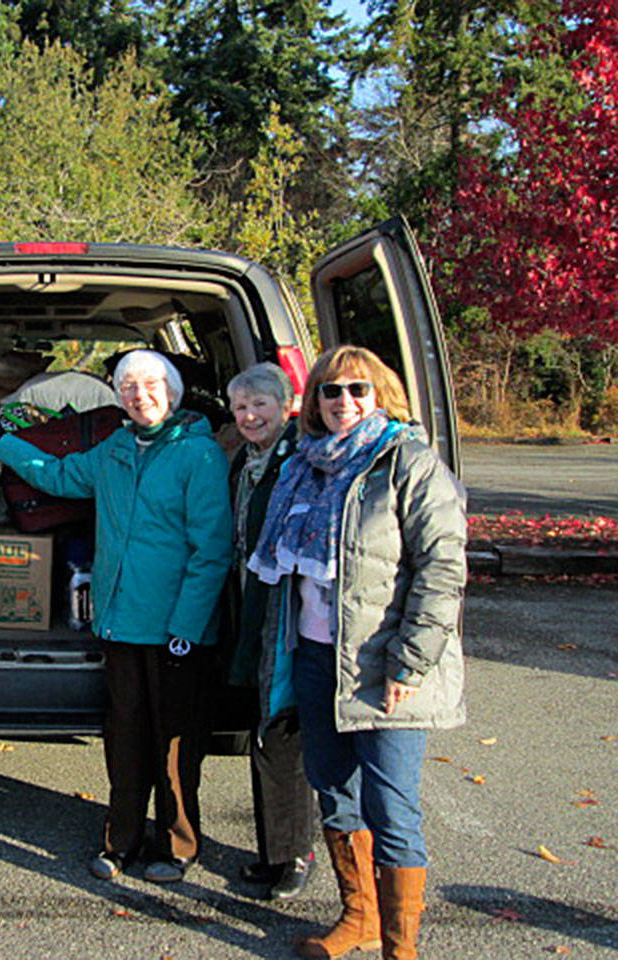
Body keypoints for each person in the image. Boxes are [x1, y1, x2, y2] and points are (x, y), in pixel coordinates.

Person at [248, 346, 466, 960]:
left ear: (381, 397)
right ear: (314, 400)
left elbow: (442, 568)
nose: (345, 401)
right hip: (315, 656)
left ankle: (401, 946)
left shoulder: (410, 464)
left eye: (358, 391)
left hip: (384, 664)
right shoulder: (302, 464)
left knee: (392, 806)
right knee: (334, 790)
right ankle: (359, 917)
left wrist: (411, 662)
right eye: (331, 391)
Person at [0, 349, 232, 884]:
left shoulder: (200, 456)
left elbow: (212, 551)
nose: (139, 395)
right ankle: (119, 840)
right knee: (124, 736)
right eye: (127, 387)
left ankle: (177, 846)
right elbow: (59, 476)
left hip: (174, 629)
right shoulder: (116, 447)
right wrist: (1, 441)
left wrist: (187, 629)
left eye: (149, 385)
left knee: (172, 742)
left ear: (171, 390)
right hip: (120, 621)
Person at [219, 362, 317, 900]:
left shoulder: (298, 460)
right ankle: (271, 853)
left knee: (284, 735)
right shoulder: (248, 460)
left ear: (285, 406)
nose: (250, 416)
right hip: (250, 609)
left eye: (260, 405)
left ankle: (294, 857)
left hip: (288, 619)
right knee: (264, 731)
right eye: (240, 407)